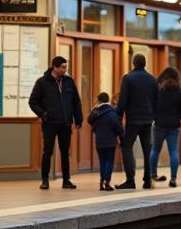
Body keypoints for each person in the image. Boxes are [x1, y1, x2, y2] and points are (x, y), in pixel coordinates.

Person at [28, 55, 83, 190]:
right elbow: (33, 102)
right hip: (50, 123)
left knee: (65, 152)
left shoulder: (69, 82)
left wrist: (78, 119)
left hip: (65, 123)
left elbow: (76, 102)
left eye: (66, 67)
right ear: (55, 67)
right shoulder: (42, 82)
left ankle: (66, 180)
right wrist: (43, 114)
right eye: (63, 67)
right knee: (47, 152)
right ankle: (45, 180)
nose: (65, 70)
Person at [115, 53, 163, 189]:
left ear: (133, 63)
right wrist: (153, 116)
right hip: (148, 121)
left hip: (133, 120)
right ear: (145, 63)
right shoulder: (153, 80)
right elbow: (157, 101)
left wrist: (118, 116)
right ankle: (147, 180)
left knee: (126, 146)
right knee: (147, 149)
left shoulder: (128, 78)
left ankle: (130, 180)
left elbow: (123, 100)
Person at [150, 67, 181, 188]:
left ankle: (153, 174)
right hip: (173, 126)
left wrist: (154, 117)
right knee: (173, 151)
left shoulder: (158, 89)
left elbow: (153, 106)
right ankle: (173, 179)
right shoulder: (179, 91)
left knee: (155, 150)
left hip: (159, 124)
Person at [88, 91, 123, 192]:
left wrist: (94, 109)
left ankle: (101, 181)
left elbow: (89, 120)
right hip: (110, 141)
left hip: (99, 140)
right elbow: (117, 127)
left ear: (98, 100)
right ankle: (107, 182)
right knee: (109, 161)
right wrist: (121, 133)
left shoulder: (95, 111)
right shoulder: (111, 112)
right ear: (108, 100)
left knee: (102, 161)